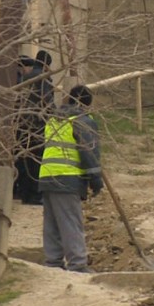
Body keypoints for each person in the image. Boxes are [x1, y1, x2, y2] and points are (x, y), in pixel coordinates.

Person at [39, 84, 102, 273]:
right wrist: (95, 179)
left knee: (52, 223)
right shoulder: (82, 121)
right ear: (87, 104)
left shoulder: (54, 119)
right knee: (70, 221)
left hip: (47, 176)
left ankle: (53, 262)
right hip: (67, 177)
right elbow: (88, 152)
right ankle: (77, 264)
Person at [15, 50, 54, 205]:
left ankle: (25, 195)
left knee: (25, 159)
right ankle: (35, 195)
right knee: (36, 160)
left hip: (23, 124)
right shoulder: (44, 79)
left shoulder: (25, 78)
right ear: (46, 65)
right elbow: (46, 101)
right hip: (37, 125)